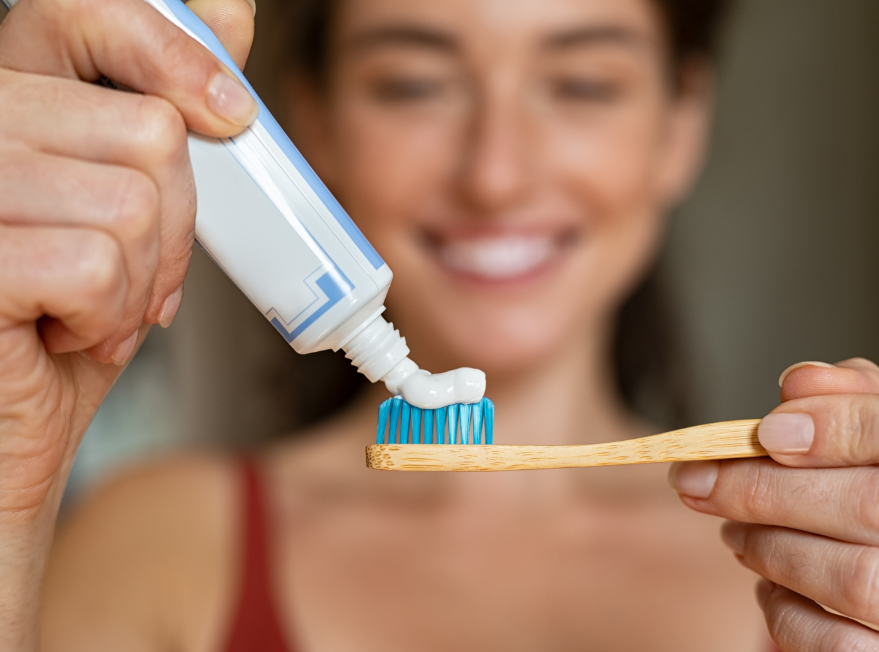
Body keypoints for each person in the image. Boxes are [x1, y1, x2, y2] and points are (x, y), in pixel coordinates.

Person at [0, 0, 878, 650]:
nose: (494, 173)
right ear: (314, 124)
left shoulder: (815, 569)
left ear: (679, 127)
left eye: (580, 83)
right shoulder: (157, 541)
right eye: (415, 84)